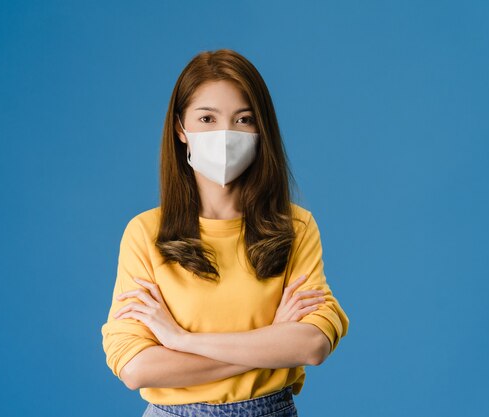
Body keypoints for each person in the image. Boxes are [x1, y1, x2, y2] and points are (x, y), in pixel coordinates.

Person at [100, 48, 350, 417]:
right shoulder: (145, 234)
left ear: (261, 129)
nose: (225, 135)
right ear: (180, 129)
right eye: (207, 118)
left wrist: (180, 340)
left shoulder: (294, 227)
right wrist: (269, 345)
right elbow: (136, 367)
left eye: (243, 119)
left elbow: (312, 344)